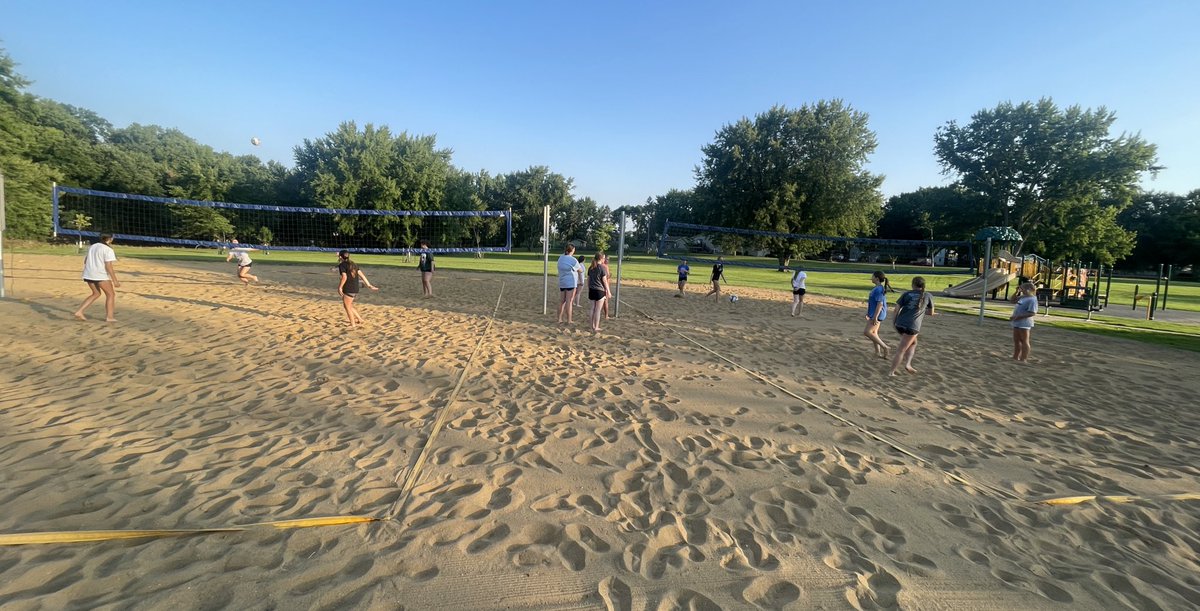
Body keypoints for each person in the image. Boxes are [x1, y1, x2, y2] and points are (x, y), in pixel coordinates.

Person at [889, 276, 936, 376]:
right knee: (902, 349)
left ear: (913, 284)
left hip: (900, 323)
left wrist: (894, 322)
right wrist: (922, 311)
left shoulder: (906, 294)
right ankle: (892, 372)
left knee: (913, 342)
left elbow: (896, 309)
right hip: (912, 326)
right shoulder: (927, 295)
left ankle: (908, 364)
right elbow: (931, 312)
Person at [73, 234, 120, 322]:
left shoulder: (93, 246)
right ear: (110, 239)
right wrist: (115, 280)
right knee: (111, 295)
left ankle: (79, 312)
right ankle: (110, 317)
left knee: (96, 293)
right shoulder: (108, 249)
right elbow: (108, 266)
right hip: (100, 275)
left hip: (88, 274)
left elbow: (85, 261)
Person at [336, 250, 379, 327]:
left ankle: (353, 324)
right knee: (349, 305)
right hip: (355, 288)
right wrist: (369, 285)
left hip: (349, 288)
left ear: (340, 257)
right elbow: (362, 275)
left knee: (347, 307)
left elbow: (344, 277)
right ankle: (360, 319)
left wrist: (340, 287)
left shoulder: (342, 265)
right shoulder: (353, 264)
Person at [864, 270, 891, 358]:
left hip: (878, 314)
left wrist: (875, 317)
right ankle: (877, 352)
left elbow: (880, 304)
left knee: (867, 332)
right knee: (874, 333)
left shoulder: (879, 289)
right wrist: (869, 314)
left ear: (877, 278)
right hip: (874, 313)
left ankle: (885, 347)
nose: (871, 278)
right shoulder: (877, 288)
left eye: (872, 276)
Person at [1010, 281, 1038, 362]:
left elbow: (1032, 313)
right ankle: (1015, 356)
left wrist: (1018, 317)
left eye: (1023, 288)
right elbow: (1012, 300)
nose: (1022, 290)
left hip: (1024, 322)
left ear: (1028, 289)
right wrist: (1016, 292)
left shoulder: (1032, 299)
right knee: (1016, 340)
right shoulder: (1023, 297)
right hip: (1017, 321)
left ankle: (1024, 358)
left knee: (1024, 340)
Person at [556, 244, 583, 324]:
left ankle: (559, 319)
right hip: (571, 282)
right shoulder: (573, 260)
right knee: (569, 301)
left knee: (562, 301)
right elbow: (580, 270)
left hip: (562, 281)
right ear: (573, 250)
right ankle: (569, 320)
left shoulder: (561, 258)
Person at [587, 253, 612, 332]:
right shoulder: (602, 267)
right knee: (597, 310)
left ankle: (592, 326)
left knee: (592, 309)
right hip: (599, 290)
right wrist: (608, 291)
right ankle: (596, 326)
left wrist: (589, 288)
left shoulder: (591, 267)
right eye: (604, 258)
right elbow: (604, 281)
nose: (604, 259)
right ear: (601, 258)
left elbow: (588, 280)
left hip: (592, 290)